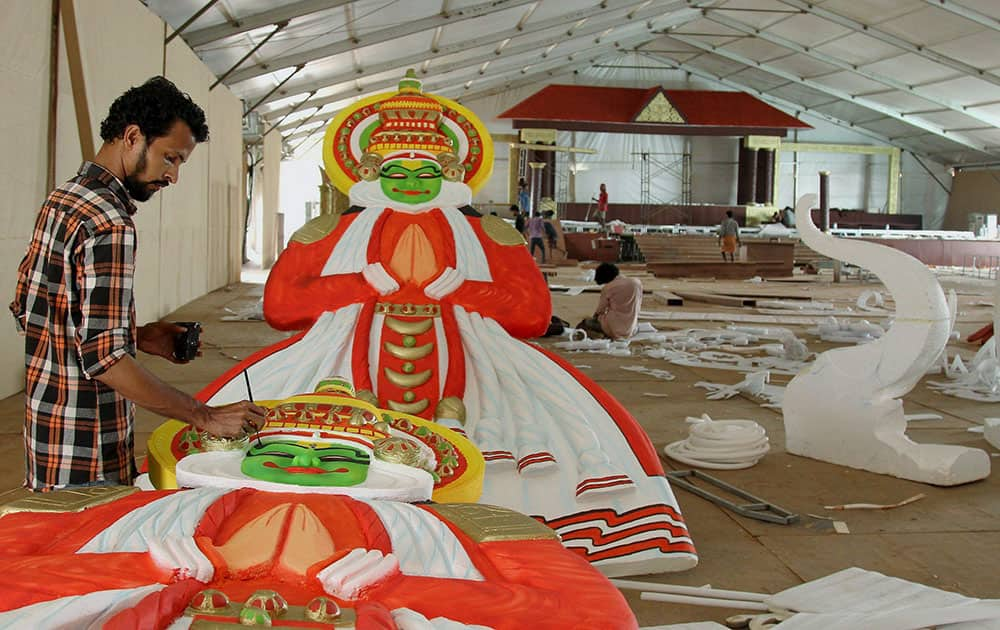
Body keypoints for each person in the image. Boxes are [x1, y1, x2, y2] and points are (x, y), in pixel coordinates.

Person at [200, 72, 696, 576]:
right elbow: (281, 306)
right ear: (371, 174)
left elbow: (532, 314)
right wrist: (358, 283)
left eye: (426, 174)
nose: (413, 186)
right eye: (398, 174)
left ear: (452, 173)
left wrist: (465, 288)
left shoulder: (490, 233)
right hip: (343, 364)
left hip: (473, 367)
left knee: (519, 455)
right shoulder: (331, 231)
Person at [10, 76, 267, 491]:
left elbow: (36, 314)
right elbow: (104, 360)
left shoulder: (63, 200)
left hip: (46, 435)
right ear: (133, 137)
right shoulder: (110, 223)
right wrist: (205, 415)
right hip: (88, 449)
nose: (173, 176)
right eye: (170, 158)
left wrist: (139, 336)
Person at [577, 263, 643, 340]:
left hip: (613, 327)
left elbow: (600, 310)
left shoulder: (608, 287)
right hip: (631, 329)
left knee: (584, 324)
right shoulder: (637, 282)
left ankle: (600, 335)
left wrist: (593, 318)